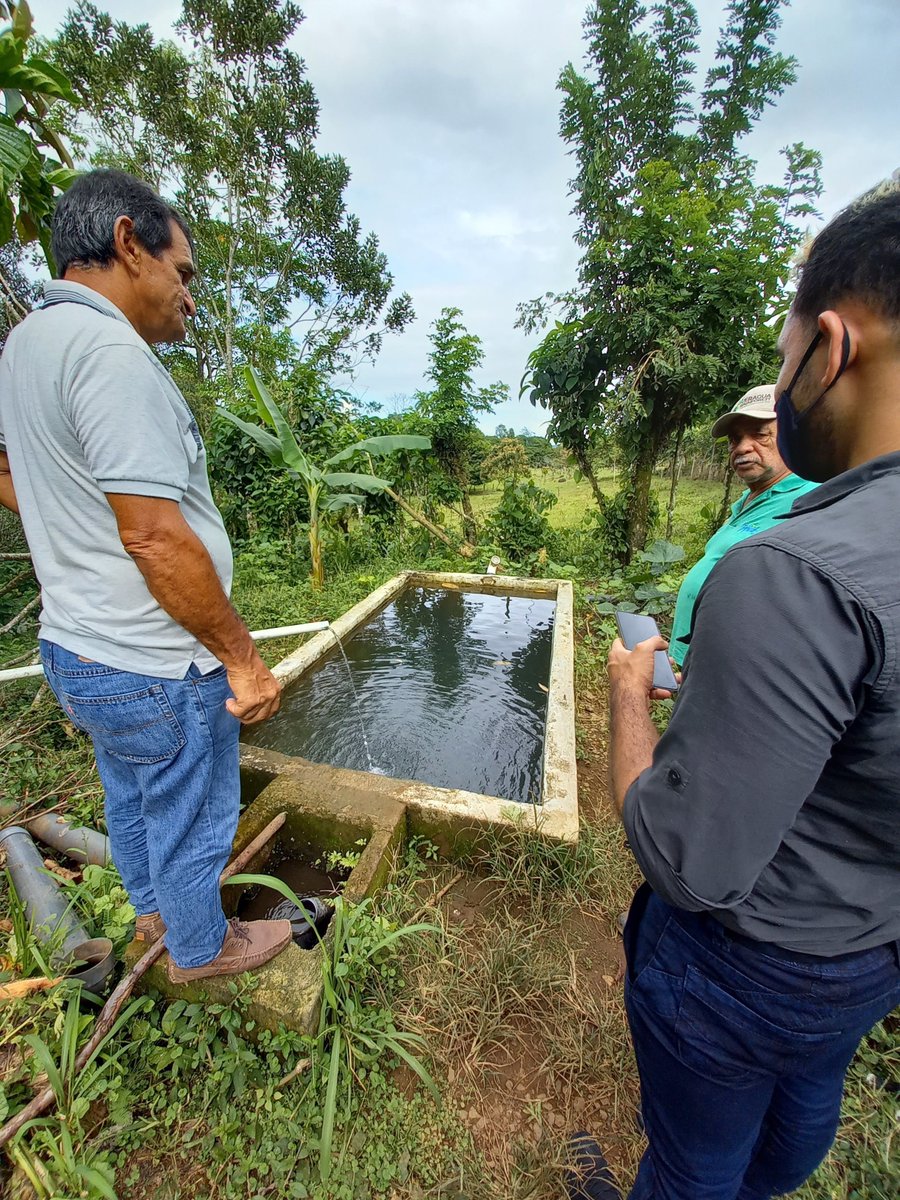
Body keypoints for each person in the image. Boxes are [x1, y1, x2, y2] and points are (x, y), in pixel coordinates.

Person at [571, 186, 900, 1199]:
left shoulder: (800, 569)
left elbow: (690, 860)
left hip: (751, 963)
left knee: (690, 1164)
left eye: (788, 344)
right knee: (798, 1115)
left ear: (829, 344)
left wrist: (630, 692)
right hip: (870, 947)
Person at [0, 169, 293, 984]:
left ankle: (156, 915)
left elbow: (12, 468)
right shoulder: (109, 352)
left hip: (76, 649)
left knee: (131, 796)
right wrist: (240, 657)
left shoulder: (24, 345)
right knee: (196, 814)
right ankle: (203, 949)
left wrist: (76, 524)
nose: (188, 296)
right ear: (130, 244)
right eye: (184, 272)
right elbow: (159, 540)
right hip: (154, 661)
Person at [668, 386, 817, 667]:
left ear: (793, 434)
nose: (742, 447)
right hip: (703, 661)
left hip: (738, 668)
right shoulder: (748, 499)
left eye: (760, 434)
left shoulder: (811, 500)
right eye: (735, 439)